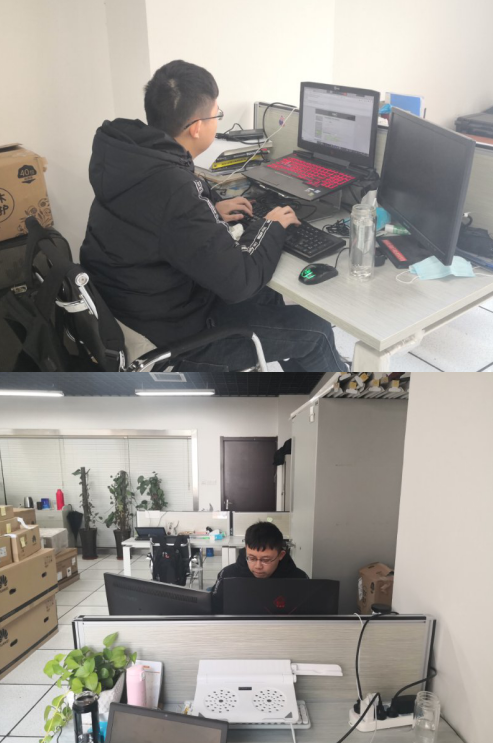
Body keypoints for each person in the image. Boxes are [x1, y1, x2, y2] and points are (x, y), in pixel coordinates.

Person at [80, 60, 347, 371]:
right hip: (169, 337)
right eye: (216, 115)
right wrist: (270, 226)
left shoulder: (130, 160)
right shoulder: (173, 189)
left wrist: (208, 211)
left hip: (131, 307)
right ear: (196, 127)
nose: (217, 122)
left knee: (269, 299)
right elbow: (240, 282)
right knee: (316, 332)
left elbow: (155, 220)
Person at [211, 521, 308, 613]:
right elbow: (214, 610)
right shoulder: (228, 575)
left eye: (266, 560)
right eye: (251, 558)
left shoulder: (299, 579)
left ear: (280, 555)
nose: (258, 566)